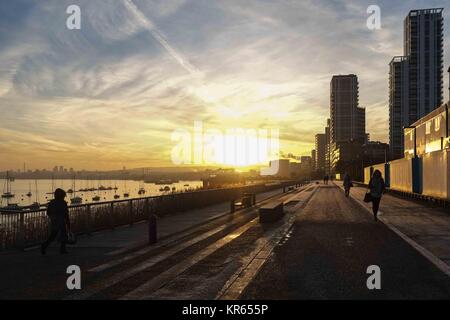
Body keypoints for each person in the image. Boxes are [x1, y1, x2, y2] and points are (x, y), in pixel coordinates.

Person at [41, 188, 71, 255]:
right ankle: (62, 249)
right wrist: (68, 223)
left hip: (54, 221)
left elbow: (48, 212)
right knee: (63, 235)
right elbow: (66, 214)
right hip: (61, 221)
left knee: (53, 235)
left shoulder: (52, 202)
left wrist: (53, 217)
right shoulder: (63, 203)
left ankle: (44, 246)